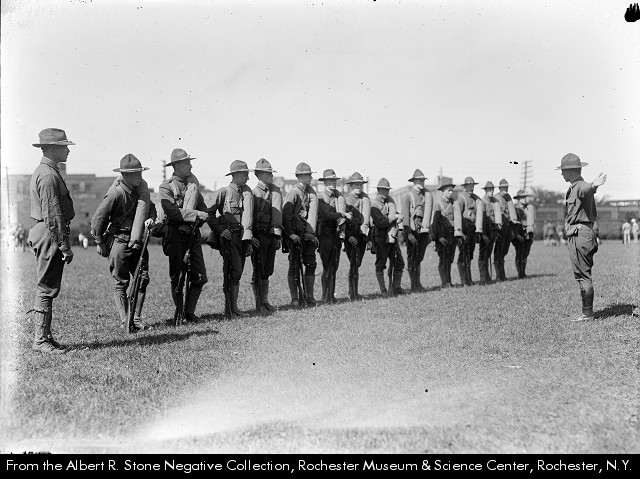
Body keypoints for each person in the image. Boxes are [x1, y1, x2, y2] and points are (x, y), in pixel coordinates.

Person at [91, 154, 156, 332]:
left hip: (138, 242)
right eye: (136, 174)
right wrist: (99, 242)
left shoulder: (141, 191)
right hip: (119, 241)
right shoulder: (116, 193)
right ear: (125, 175)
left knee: (142, 279)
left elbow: (151, 208)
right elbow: (98, 219)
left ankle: (136, 318)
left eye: (140, 173)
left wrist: (151, 218)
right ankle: (125, 320)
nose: (140, 176)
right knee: (121, 282)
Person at [27, 128, 76, 353]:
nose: (68, 150)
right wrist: (65, 246)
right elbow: (53, 214)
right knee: (46, 288)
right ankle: (40, 340)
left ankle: (45, 336)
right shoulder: (48, 175)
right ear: (53, 149)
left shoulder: (48, 171)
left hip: (47, 232)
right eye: (64, 146)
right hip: (49, 233)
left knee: (48, 287)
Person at [159, 148, 209, 323]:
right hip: (175, 237)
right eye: (187, 163)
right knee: (178, 278)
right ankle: (180, 313)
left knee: (200, 277)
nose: (191, 166)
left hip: (193, 235)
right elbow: (172, 212)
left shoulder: (192, 186)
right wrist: (196, 215)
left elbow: (203, 208)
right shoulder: (166, 187)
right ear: (177, 165)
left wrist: (199, 217)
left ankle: (189, 312)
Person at [557, 153, 607, 322]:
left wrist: (593, 185)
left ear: (571, 171)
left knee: (583, 276)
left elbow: (587, 189)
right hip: (580, 233)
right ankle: (587, 313)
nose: (562, 174)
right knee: (582, 274)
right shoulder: (574, 187)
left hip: (580, 234)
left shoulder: (579, 186)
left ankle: (587, 314)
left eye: (563, 171)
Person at [207, 160, 254, 317]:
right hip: (230, 239)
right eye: (245, 174)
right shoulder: (223, 192)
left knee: (237, 273)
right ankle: (230, 308)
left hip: (242, 238)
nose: (248, 178)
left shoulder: (246, 193)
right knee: (233, 272)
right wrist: (220, 230)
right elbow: (209, 214)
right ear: (236, 175)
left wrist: (248, 240)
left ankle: (233, 308)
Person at [282, 162, 319, 306]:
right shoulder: (294, 193)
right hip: (295, 236)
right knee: (294, 266)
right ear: (300, 176)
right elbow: (286, 216)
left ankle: (309, 296)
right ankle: (295, 298)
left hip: (307, 235)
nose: (310, 177)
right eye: (308, 175)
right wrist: (290, 234)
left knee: (311, 264)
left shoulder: (310, 192)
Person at [250, 158, 282, 314]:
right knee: (258, 270)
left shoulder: (274, 191)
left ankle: (265, 301)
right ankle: (259, 304)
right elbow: (248, 217)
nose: (271, 176)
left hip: (270, 235)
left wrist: (277, 236)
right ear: (259, 175)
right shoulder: (253, 193)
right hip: (258, 236)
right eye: (268, 174)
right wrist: (250, 237)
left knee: (267, 270)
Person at [317, 169, 351, 303]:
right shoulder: (320, 197)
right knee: (327, 266)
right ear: (324, 182)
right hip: (325, 234)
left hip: (336, 234)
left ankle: (330, 296)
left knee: (334, 266)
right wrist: (342, 214)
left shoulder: (338, 197)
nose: (333, 183)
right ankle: (325, 296)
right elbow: (327, 215)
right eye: (330, 180)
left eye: (334, 180)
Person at [370, 178, 405, 296]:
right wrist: (395, 217)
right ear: (378, 190)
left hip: (392, 238)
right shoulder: (374, 205)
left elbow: (395, 215)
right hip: (381, 238)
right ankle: (383, 290)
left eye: (388, 190)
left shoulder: (389, 202)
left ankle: (396, 287)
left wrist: (399, 216)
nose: (386, 192)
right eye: (384, 190)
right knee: (381, 265)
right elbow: (381, 223)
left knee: (399, 262)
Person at [401, 169, 433, 292]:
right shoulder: (408, 196)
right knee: (412, 258)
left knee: (419, 258)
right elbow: (405, 216)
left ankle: (418, 283)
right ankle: (413, 285)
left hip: (422, 230)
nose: (422, 182)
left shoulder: (425, 196)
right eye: (419, 180)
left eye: (423, 180)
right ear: (414, 181)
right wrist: (408, 233)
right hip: (412, 230)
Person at [344, 172, 371, 301]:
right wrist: (348, 236)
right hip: (351, 235)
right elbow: (342, 221)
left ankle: (355, 292)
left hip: (361, 236)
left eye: (360, 184)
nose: (358, 187)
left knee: (357, 263)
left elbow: (368, 221)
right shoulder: (345, 200)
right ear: (350, 186)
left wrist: (368, 238)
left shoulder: (365, 199)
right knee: (353, 264)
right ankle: (352, 293)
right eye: (356, 185)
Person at [430, 181, 462, 288]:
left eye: (452, 190)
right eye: (449, 190)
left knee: (449, 259)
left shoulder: (454, 204)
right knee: (443, 260)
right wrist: (440, 237)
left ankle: (449, 281)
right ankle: (444, 282)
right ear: (443, 191)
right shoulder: (438, 204)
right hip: (443, 236)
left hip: (452, 235)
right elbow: (436, 223)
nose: (451, 192)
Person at [454, 177, 484, 286]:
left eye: (472, 186)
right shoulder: (461, 199)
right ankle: (464, 280)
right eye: (469, 186)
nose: (471, 188)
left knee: (469, 255)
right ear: (465, 187)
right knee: (463, 255)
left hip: (472, 231)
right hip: (464, 231)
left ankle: (469, 279)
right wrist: (460, 233)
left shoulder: (475, 199)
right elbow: (457, 215)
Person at [494, 178, 520, 281]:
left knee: (504, 252)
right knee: (498, 253)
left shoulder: (508, 197)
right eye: (503, 187)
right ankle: (498, 276)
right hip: (500, 228)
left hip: (508, 227)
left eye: (506, 187)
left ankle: (502, 275)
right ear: (500, 188)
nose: (505, 189)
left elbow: (512, 212)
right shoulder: (496, 198)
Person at [478, 181, 503, 284]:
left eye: (492, 190)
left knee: (488, 254)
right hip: (485, 231)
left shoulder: (494, 202)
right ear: (485, 191)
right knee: (483, 255)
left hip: (492, 231)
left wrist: (496, 232)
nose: (491, 191)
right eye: (489, 190)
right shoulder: (482, 202)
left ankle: (487, 277)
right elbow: (481, 220)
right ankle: (483, 278)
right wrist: (483, 235)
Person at [512, 190, 536, 279]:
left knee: (525, 254)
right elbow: (513, 224)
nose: (525, 199)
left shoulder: (530, 208)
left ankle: (523, 273)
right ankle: (520, 274)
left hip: (528, 234)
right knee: (519, 254)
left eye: (525, 197)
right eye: (522, 197)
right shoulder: (514, 209)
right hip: (519, 234)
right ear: (518, 199)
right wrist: (516, 235)